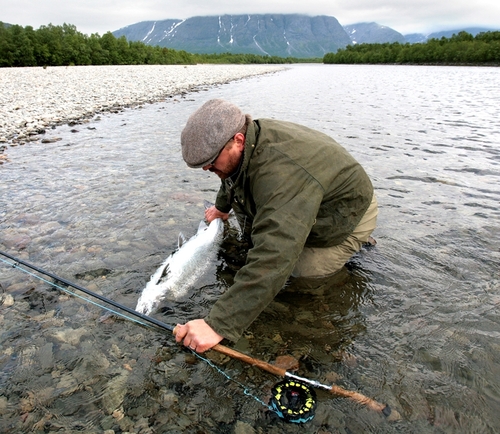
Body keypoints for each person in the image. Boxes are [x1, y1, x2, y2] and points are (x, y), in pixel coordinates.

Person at [174, 99, 377, 353]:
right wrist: (221, 209)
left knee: (301, 272)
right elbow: (230, 176)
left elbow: (274, 256)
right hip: (304, 199)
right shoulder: (247, 145)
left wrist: (218, 325)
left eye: (211, 161)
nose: (206, 168)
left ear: (238, 140)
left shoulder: (280, 173)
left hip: (345, 213)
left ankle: (359, 243)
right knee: (257, 237)